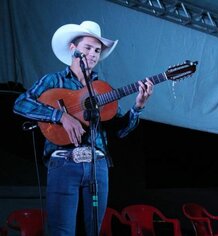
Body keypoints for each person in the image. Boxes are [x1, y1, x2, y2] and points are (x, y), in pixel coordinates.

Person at [13, 20, 154, 236]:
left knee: (93, 231)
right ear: (73, 49)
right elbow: (21, 103)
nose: (93, 54)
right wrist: (60, 116)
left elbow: (120, 130)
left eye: (97, 50)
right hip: (63, 163)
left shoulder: (101, 89)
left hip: (97, 166)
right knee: (62, 231)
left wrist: (138, 106)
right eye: (88, 48)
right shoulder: (54, 80)